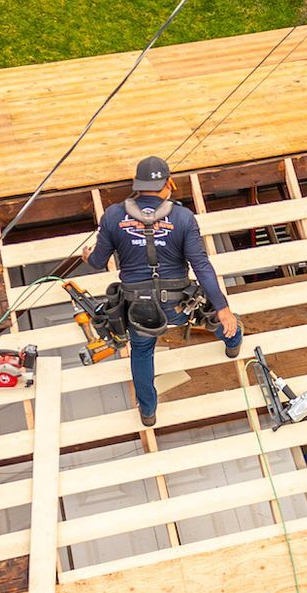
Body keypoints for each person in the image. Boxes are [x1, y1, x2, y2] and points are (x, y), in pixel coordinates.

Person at [85, 155, 243, 427]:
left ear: (137, 185)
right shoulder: (182, 217)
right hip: (179, 304)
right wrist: (223, 309)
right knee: (212, 318)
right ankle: (232, 342)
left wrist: (87, 255)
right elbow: (201, 266)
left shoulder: (113, 215)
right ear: (169, 183)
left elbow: (98, 262)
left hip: (138, 309)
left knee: (142, 351)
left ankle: (148, 413)